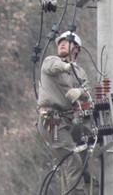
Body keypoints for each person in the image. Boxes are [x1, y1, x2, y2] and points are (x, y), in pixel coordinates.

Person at [37, 30, 92, 192]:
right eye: (59, 42)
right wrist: (67, 66)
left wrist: (81, 93)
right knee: (72, 160)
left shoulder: (80, 72)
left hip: (70, 122)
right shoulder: (51, 61)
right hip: (51, 119)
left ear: (76, 48)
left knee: (82, 159)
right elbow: (55, 67)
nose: (61, 43)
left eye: (66, 41)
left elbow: (88, 93)